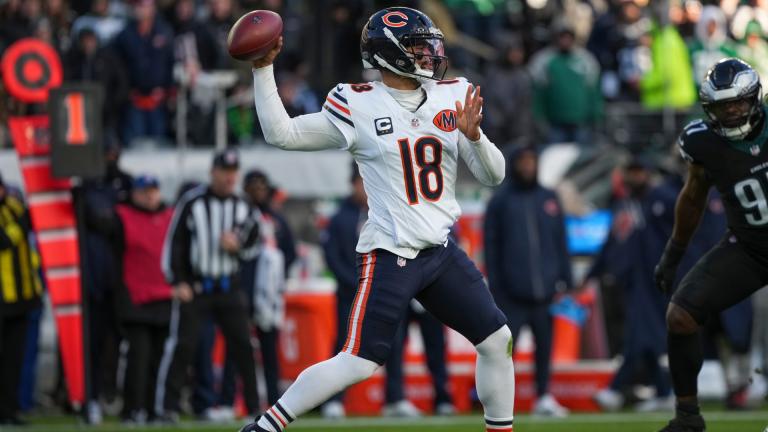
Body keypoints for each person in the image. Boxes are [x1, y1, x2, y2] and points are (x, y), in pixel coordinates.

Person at [240, 7, 513, 432]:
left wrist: (474, 138)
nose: (429, 54)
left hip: (440, 251)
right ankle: (265, 427)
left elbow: (493, 175)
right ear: (391, 55)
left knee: (497, 340)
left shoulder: (452, 94)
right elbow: (283, 134)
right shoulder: (358, 103)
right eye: (418, 47)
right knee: (358, 361)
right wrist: (262, 71)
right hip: (392, 253)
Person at [654, 57, 768, 431]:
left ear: (754, 98)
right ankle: (688, 417)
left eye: (738, 102)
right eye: (723, 106)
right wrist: (673, 254)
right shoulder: (702, 142)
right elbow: (692, 198)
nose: (732, 111)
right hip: (750, 248)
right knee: (681, 315)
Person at [321, 166, 453, 419]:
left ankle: (395, 397)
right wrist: (359, 283)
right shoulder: (341, 218)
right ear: (352, 184)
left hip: (385, 292)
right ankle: (333, 401)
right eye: (360, 182)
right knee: (344, 345)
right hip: (351, 294)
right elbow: (333, 257)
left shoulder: (389, 211)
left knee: (393, 344)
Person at [157, 149, 261, 422]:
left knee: (243, 346)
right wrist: (178, 281)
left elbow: (255, 242)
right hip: (198, 287)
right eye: (225, 171)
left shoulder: (244, 205)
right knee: (183, 346)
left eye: (233, 172)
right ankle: (167, 407)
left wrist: (238, 246)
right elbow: (175, 244)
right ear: (213, 172)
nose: (229, 178)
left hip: (229, 286)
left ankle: (254, 408)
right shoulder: (193, 203)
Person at [484, 145, 571, 417]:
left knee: (544, 349)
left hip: (545, 292)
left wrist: (565, 279)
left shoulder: (549, 197)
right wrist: (497, 287)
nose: (528, 165)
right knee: (504, 351)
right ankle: (497, 398)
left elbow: (560, 241)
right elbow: (491, 247)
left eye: (531, 160)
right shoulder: (500, 201)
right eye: (523, 160)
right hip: (512, 294)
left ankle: (543, 396)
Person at [113, 175, 175, 423]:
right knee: (138, 358)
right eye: (144, 191)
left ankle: (154, 409)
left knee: (160, 359)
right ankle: (132, 409)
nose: (150, 196)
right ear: (134, 194)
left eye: (153, 190)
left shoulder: (170, 216)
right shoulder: (122, 217)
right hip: (136, 299)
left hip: (165, 297)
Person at [0, 174, 42, 426]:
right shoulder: (18, 214)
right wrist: (20, 226)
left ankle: (10, 410)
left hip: (23, 297)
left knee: (14, 359)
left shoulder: (16, 207)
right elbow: (4, 240)